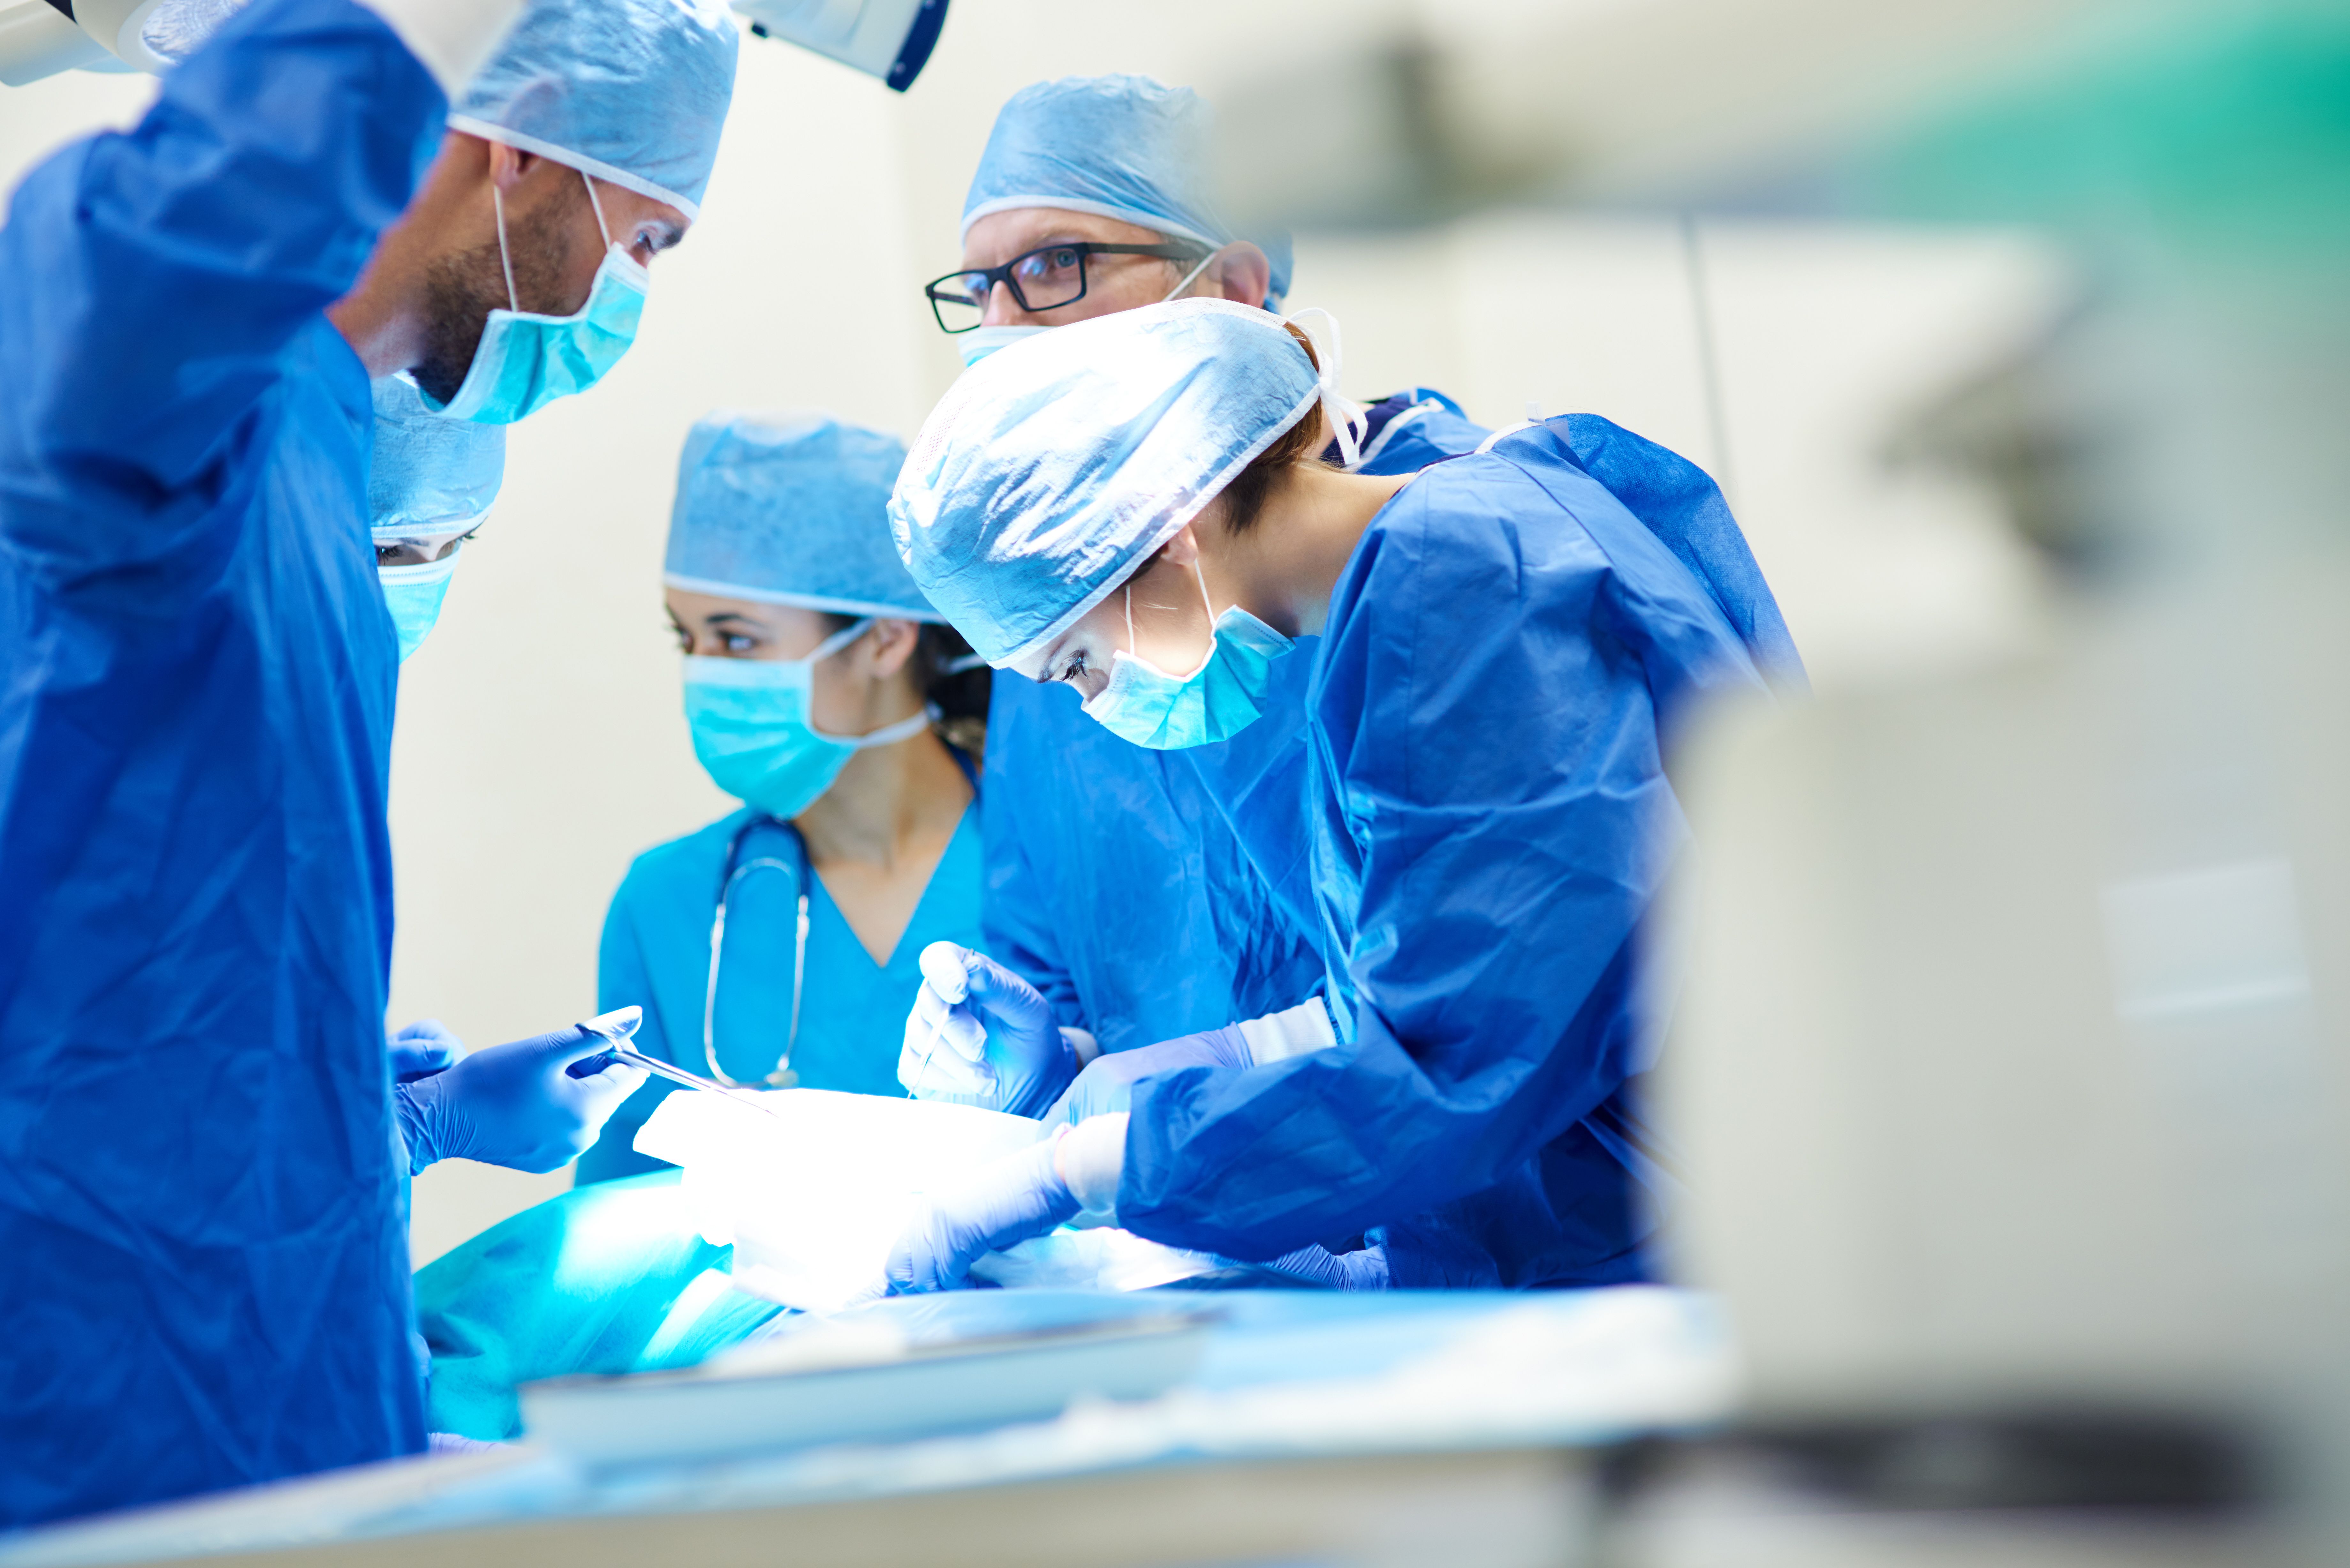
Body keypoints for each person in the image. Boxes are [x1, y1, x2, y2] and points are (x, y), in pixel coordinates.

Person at [0, 0, 736, 1525]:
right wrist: (406, 27)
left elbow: (216, 968)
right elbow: (160, 258)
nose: (627, 295)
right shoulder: (177, 385)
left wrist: (399, 1120)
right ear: (522, 144)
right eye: (646, 239)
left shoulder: (323, 461)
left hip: (277, 1365)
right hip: (97, 1377)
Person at [883, 299, 1804, 1294]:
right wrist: (1176, 1071)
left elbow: (1459, 1064)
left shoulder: (1464, 580)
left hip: (1706, 1274)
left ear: (1167, 538)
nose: (1097, 703)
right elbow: (1507, 962)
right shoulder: (1463, 545)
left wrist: (1091, 1170)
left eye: (1076, 664)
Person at [909, 75, 1492, 1112]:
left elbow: (1505, 996)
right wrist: (1056, 1066)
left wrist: (1221, 1105)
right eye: (978, 288)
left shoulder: (1467, 560)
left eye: (1052, 266)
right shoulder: (1060, 621)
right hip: (1201, 1234)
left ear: (1230, 287)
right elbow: (1059, 950)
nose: (999, 329)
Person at [576, 413, 997, 1182]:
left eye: (737, 641)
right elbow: (622, 1221)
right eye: (687, 639)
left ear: (884, 638)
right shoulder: (667, 904)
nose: (702, 673)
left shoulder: (1049, 868)